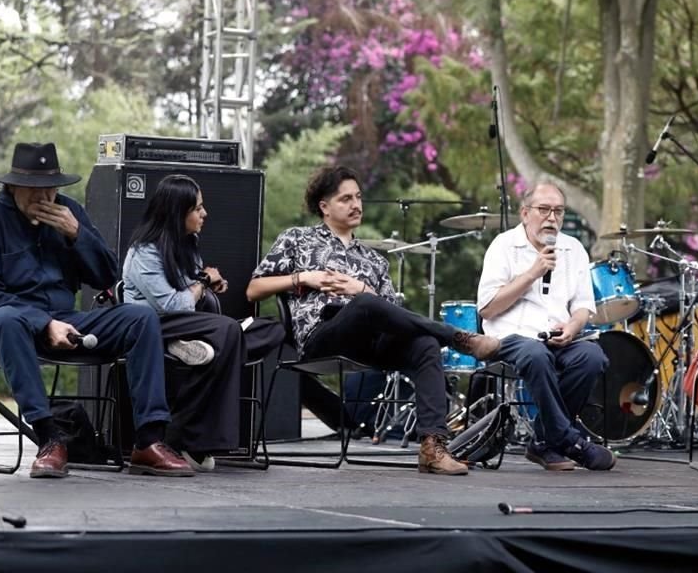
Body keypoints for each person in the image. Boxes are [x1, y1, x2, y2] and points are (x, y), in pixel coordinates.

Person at [0, 142, 192, 478]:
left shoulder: (70, 213)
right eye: (34, 190)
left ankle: (148, 441)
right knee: (8, 320)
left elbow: (107, 276)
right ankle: (49, 439)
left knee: (140, 318)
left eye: (51, 188)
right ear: (12, 187)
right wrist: (43, 322)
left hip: (65, 319)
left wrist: (77, 235)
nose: (45, 198)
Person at [246, 165, 501, 476]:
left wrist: (360, 289)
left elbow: (395, 317)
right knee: (366, 304)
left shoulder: (374, 260)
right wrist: (304, 277)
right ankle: (459, 337)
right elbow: (253, 290)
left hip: (371, 343)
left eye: (358, 197)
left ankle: (432, 447)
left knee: (423, 344)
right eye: (345, 199)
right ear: (324, 207)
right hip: (322, 337)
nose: (356, 205)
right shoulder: (297, 240)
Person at [121, 174, 284, 472]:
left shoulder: (186, 245)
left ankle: (196, 349)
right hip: (154, 325)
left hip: (190, 327)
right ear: (176, 212)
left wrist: (205, 285)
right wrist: (204, 282)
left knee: (271, 329)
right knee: (228, 332)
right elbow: (173, 305)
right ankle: (197, 440)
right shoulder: (144, 251)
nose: (204, 214)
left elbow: (191, 296)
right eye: (197, 208)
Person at [477, 183, 615, 472]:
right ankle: (568, 440)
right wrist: (532, 273)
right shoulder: (503, 245)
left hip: (555, 337)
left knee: (592, 357)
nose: (552, 218)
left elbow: (582, 306)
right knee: (536, 355)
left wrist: (572, 327)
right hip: (511, 337)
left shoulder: (573, 248)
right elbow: (488, 307)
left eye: (558, 211)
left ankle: (544, 440)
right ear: (525, 213)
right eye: (544, 210)